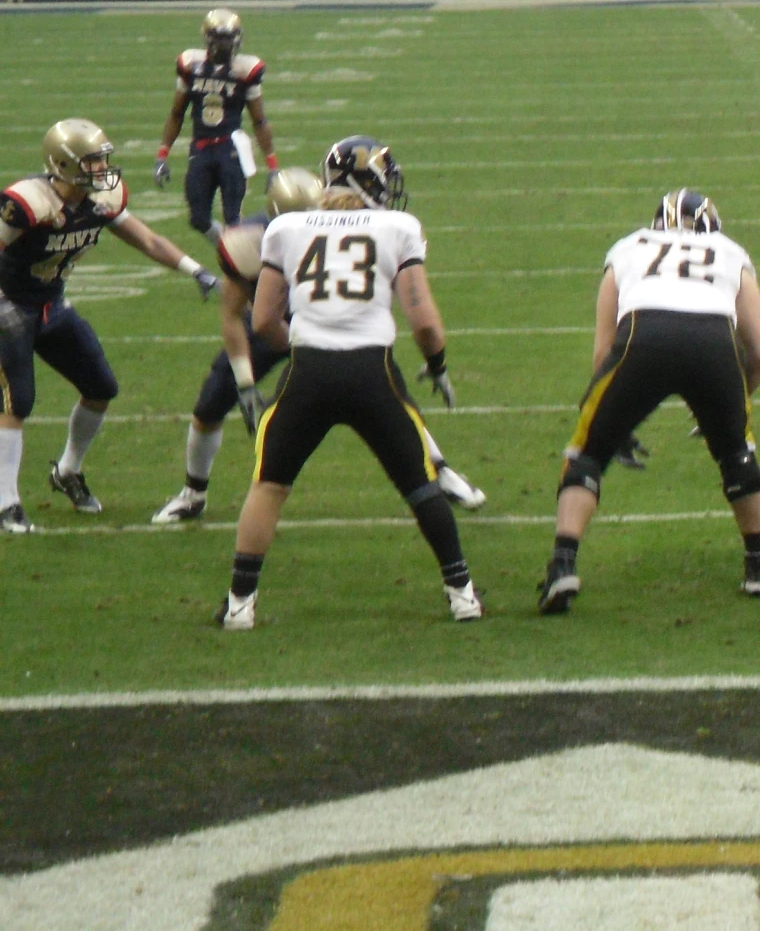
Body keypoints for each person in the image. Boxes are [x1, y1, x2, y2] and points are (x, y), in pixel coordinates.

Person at [218, 137, 481, 628]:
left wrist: (298, 341)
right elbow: (422, 319)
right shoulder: (397, 227)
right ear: (369, 181)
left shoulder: (287, 227)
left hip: (308, 370)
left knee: (269, 485)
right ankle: (462, 592)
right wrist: (437, 363)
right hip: (371, 371)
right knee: (419, 484)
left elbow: (263, 321)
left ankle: (239, 605)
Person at [153, 168, 484, 524]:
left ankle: (442, 471)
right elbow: (234, 316)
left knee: (388, 395)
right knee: (209, 406)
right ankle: (193, 493)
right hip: (269, 325)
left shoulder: (341, 230)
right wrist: (246, 383)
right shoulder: (249, 242)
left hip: (326, 320)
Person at [539, 190, 760, 612]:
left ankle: (563, 564)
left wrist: (615, 420)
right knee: (737, 452)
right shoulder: (729, 251)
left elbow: (603, 352)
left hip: (642, 339)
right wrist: (731, 407)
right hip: (713, 345)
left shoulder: (629, 247)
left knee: (588, 453)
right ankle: (759, 565)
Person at [0, 121, 222, 528]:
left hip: (50, 302)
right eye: (93, 159)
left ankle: (66, 471)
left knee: (100, 387)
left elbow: (147, 239)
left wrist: (196, 270)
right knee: (18, 400)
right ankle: (5, 503)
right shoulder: (28, 202)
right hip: (8, 303)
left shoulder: (100, 198)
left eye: (103, 157)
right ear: (64, 163)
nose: (103, 166)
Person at [154, 10, 279, 238]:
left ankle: (237, 259)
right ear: (207, 37)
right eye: (219, 37)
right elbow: (176, 113)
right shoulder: (191, 65)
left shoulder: (246, 70)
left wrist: (272, 165)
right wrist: (163, 154)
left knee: (233, 219)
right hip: (201, 147)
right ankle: (235, 251)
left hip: (232, 148)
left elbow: (259, 121)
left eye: (229, 37)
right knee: (198, 219)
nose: (225, 43)